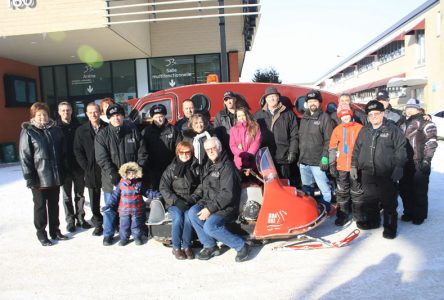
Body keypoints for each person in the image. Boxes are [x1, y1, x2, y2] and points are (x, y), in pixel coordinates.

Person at [188, 137, 250, 262]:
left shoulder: (227, 167)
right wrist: (193, 198)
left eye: (213, 148)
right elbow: (204, 186)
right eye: (207, 149)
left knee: (210, 226)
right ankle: (210, 246)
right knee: (192, 213)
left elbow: (227, 194)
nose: (210, 151)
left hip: (227, 207)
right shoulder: (210, 165)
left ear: (220, 148)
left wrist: (209, 209)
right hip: (210, 202)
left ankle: (242, 246)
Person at [351, 100, 406, 239]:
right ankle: (373, 222)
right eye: (371, 114)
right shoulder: (364, 130)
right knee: (370, 200)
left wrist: (399, 166)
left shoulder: (392, 130)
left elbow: (401, 150)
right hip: (367, 173)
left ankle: (390, 228)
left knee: (389, 202)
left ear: (382, 113)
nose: (374, 116)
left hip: (386, 172)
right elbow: (357, 149)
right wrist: (353, 165)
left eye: (377, 113)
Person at [19, 102, 69, 246]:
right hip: (39, 178)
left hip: (55, 175)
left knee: (54, 205)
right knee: (40, 206)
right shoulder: (28, 131)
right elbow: (25, 156)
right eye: (39, 115)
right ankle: (41, 233)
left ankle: (55, 230)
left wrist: (63, 170)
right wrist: (30, 177)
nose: (42, 117)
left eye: (45, 114)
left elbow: (63, 152)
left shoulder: (56, 130)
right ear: (33, 116)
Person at [95, 104, 141, 246]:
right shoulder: (102, 135)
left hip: (131, 180)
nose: (117, 118)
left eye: (119, 115)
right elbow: (102, 158)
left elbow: (142, 152)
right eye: (113, 116)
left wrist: (137, 170)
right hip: (111, 180)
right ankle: (108, 234)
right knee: (110, 208)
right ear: (109, 118)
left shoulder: (132, 131)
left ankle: (136, 233)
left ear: (123, 116)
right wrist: (113, 174)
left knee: (133, 208)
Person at [399, 99, 438, 225]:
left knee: (419, 190)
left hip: (419, 161)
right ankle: (408, 212)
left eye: (412, 107)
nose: (409, 110)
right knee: (405, 189)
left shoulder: (425, 122)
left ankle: (419, 214)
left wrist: (427, 160)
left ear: (418, 109)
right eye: (407, 107)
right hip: (405, 162)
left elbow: (431, 142)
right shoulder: (402, 122)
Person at [159, 141, 201, 260]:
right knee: (178, 217)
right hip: (174, 201)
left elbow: (201, 186)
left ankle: (187, 246)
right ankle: (176, 247)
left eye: (187, 152)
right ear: (178, 153)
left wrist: (192, 199)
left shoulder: (196, 167)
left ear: (191, 153)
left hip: (190, 200)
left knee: (188, 218)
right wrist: (176, 201)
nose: (184, 155)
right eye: (181, 152)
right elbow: (163, 187)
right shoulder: (171, 168)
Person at [74, 102, 108, 236]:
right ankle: (98, 223)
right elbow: (77, 151)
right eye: (90, 112)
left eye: (96, 111)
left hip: (106, 169)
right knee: (94, 199)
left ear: (100, 112)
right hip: (91, 170)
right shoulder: (81, 130)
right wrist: (86, 167)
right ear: (87, 114)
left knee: (110, 197)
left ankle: (113, 220)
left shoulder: (106, 127)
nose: (94, 114)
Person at [56, 101, 90, 233]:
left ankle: (81, 218)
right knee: (66, 196)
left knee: (80, 194)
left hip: (78, 166)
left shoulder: (79, 127)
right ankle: (70, 221)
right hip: (64, 167)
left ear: (72, 111)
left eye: (68, 110)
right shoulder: (55, 128)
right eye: (63, 110)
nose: (66, 112)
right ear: (59, 112)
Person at [298, 89, 334, 211]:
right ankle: (310, 209)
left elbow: (329, 140)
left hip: (318, 161)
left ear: (319, 103)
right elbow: (301, 139)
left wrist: (325, 157)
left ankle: (327, 208)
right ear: (307, 103)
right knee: (307, 188)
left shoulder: (325, 118)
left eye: (315, 101)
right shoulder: (304, 118)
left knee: (324, 188)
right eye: (310, 101)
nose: (312, 103)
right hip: (304, 161)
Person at [254, 86, 299, 181]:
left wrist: (292, 152)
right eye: (269, 97)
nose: (272, 99)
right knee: (269, 185)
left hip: (283, 156)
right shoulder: (258, 115)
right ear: (265, 99)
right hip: (265, 158)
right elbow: (253, 135)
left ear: (278, 98)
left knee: (284, 184)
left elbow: (294, 135)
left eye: (274, 96)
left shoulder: (288, 114)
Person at [329, 103, 363, 226]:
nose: (345, 118)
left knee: (357, 191)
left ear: (350, 114)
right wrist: (332, 163)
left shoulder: (359, 127)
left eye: (347, 115)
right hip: (342, 166)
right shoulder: (337, 129)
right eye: (342, 116)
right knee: (342, 191)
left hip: (355, 166)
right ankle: (343, 215)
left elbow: (363, 146)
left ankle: (358, 215)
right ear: (340, 117)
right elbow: (332, 147)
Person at [138, 104, 181, 192]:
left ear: (165, 116)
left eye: (161, 116)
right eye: (156, 117)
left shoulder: (173, 130)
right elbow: (142, 151)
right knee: (156, 194)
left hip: (170, 169)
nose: (159, 119)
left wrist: (176, 166)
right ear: (152, 117)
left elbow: (179, 149)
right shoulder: (146, 132)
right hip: (153, 170)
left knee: (170, 191)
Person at [105, 162, 147, 246]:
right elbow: (115, 196)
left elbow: (146, 192)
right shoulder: (121, 184)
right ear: (125, 173)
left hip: (136, 210)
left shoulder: (139, 184)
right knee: (124, 225)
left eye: (133, 172)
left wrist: (155, 194)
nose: (131, 174)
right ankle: (124, 238)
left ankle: (137, 237)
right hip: (124, 210)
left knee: (136, 225)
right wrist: (109, 205)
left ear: (137, 173)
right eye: (129, 173)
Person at [229, 106, 261, 171]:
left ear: (247, 115)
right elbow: (232, 145)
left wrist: (248, 155)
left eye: (243, 115)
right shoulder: (233, 129)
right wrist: (242, 154)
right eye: (239, 116)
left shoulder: (255, 126)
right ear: (236, 118)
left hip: (253, 161)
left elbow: (257, 142)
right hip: (239, 162)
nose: (241, 118)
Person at [214, 91, 237, 158]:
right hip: (226, 149)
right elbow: (216, 132)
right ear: (224, 102)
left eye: (230, 99)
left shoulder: (241, 113)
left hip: (240, 148)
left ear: (235, 99)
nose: (228, 101)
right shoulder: (220, 115)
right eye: (226, 100)